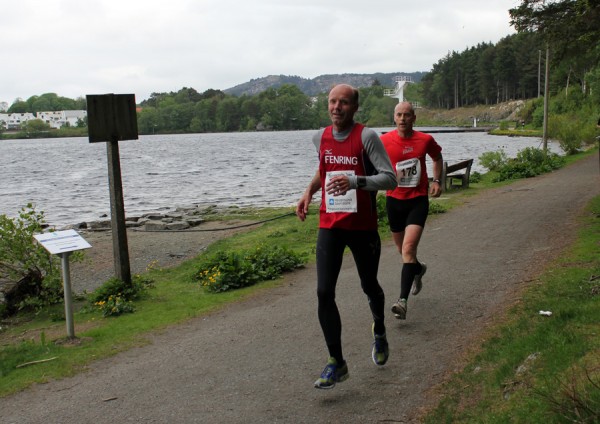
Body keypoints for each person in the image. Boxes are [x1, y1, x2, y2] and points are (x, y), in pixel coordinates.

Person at [296, 84, 397, 389]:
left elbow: (389, 178)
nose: (336, 107)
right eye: (332, 102)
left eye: (343, 102)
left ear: (354, 108)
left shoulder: (366, 137)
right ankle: (336, 362)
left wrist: (355, 181)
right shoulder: (320, 137)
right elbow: (325, 170)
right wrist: (308, 192)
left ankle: (379, 329)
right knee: (324, 292)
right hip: (330, 224)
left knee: (369, 285)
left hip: (362, 226)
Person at [380, 102, 443, 320]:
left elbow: (437, 157)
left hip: (417, 200)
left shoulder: (425, 140)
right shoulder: (384, 140)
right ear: (394, 117)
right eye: (399, 114)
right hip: (393, 201)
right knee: (403, 252)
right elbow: (371, 164)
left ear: (414, 118)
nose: (403, 118)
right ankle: (418, 269)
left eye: (407, 115)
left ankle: (402, 302)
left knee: (408, 248)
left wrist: (436, 181)